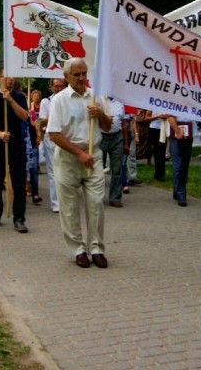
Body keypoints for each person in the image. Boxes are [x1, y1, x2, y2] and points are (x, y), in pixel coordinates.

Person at [46, 57, 112, 268]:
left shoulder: (95, 97)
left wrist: (100, 113)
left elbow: (108, 127)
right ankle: (77, 249)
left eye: (84, 73)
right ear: (66, 77)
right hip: (68, 158)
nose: (82, 78)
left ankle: (96, 248)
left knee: (95, 204)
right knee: (69, 207)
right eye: (77, 74)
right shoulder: (60, 100)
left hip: (94, 155)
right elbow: (54, 134)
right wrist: (79, 154)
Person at [0, 69, 30, 232]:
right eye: (6, 76)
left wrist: (10, 101)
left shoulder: (19, 96)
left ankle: (19, 218)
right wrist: (0, 134)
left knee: (18, 181)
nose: (10, 79)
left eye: (12, 76)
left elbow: (24, 116)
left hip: (16, 142)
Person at [38, 77, 66, 212]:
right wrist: (54, 116)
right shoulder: (46, 101)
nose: (59, 88)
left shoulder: (68, 99)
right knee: (53, 171)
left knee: (66, 169)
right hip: (51, 136)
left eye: (61, 86)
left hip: (66, 137)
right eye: (56, 86)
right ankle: (56, 203)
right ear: (51, 87)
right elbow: (41, 122)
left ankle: (66, 199)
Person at [99, 96, 128, 207]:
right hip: (101, 137)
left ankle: (115, 198)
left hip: (117, 137)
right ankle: (97, 197)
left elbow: (124, 124)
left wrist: (125, 143)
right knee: (98, 168)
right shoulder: (99, 100)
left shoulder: (120, 102)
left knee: (117, 169)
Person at [167, 116, 197, 207]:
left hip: (189, 133)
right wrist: (177, 131)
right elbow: (170, 116)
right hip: (176, 134)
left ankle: (177, 190)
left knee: (184, 164)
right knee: (178, 165)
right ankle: (181, 194)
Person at [27, 88, 43, 204]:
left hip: (32, 143)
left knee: (33, 169)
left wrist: (38, 136)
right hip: (21, 143)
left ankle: (35, 192)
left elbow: (36, 124)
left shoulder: (31, 112)